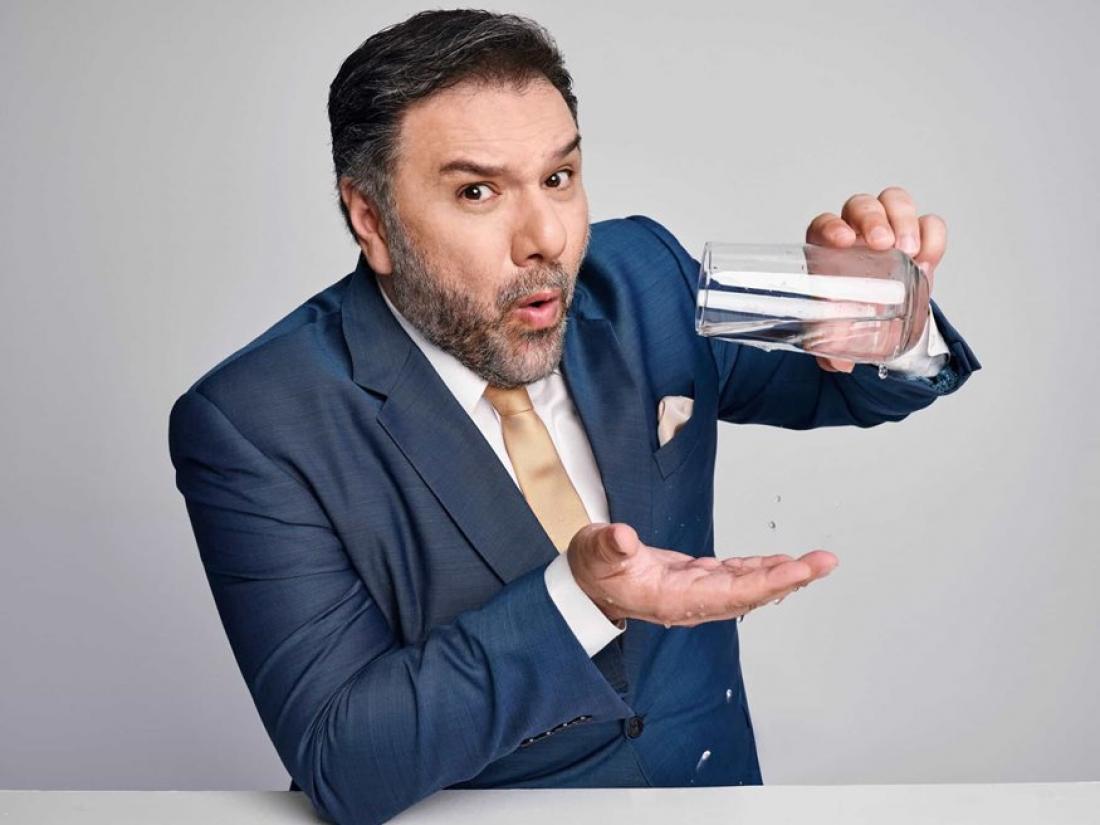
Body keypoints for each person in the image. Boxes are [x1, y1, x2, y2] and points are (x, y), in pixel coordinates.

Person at [168, 9, 980, 825]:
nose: (547, 239)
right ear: (371, 220)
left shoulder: (643, 280)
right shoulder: (255, 421)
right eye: (477, 191)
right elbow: (346, 761)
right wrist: (578, 598)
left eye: (559, 177)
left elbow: (843, 385)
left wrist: (888, 318)